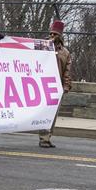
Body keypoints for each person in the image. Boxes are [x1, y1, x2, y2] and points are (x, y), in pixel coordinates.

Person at [39, 20, 72, 149]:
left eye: (55, 34)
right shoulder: (43, 46)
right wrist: (49, 45)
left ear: (60, 35)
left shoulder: (65, 53)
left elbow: (67, 71)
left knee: (52, 115)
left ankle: (46, 137)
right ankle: (43, 137)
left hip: (56, 87)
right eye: (51, 33)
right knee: (43, 113)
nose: (52, 36)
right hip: (42, 85)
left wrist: (66, 86)